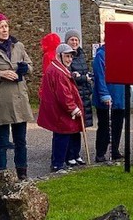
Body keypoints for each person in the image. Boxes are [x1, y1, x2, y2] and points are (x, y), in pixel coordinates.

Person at [0, 12, 33, 180]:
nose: (5, 30)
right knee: (2, 141)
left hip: (19, 98)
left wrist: (26, 69)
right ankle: (1, 176)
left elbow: (30, 65)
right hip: (0, 100)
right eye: (0, 27)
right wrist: (0, 74)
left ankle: (22, 174)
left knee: (21, 141)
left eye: (6, 26)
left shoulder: (18, 46)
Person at [37, 44, 84, 173]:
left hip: (58, 110)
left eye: (70, 57)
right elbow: (63, 94)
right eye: (67, 56)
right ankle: (57, 164)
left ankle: (59, 162)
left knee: (61, 137)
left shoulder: (58, 69)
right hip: (60, 112)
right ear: (59, 56)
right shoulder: (57, 72)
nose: (69, 59)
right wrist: (73, 109)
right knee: (61, 137)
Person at [92, 43, 125, 162]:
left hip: (120, 95)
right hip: (107, 97)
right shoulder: (101, 55)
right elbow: (100, 76)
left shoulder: (121, 54)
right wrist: (104, 94)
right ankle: (100, 153)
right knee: (105, 127)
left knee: (117, 126)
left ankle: (114, 150)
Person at [65, 30, 92, 166]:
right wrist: (82, 78)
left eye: (76, 40)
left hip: (84, 94)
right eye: (72, 40)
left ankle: (76, 154)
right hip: (73, 94)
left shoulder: (81, 54)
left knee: (80, 126)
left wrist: (85, 77)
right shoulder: (66, 56)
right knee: (71, 127)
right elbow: (70, 75)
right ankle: (69, 155)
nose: (74, 42)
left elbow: (83, 72)